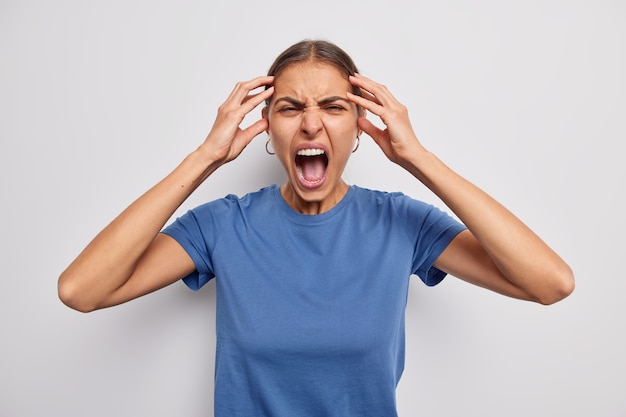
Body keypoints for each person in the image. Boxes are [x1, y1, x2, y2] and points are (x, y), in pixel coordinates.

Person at [58, 39, 574, 416]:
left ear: (360, 127)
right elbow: (81, 290)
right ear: (266, 127)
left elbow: (550, 283)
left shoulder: (400, 222)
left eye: (333, 106)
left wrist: (418, 159)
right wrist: (206, 156)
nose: (311, 124)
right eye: (290, 108)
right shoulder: (224, 224)